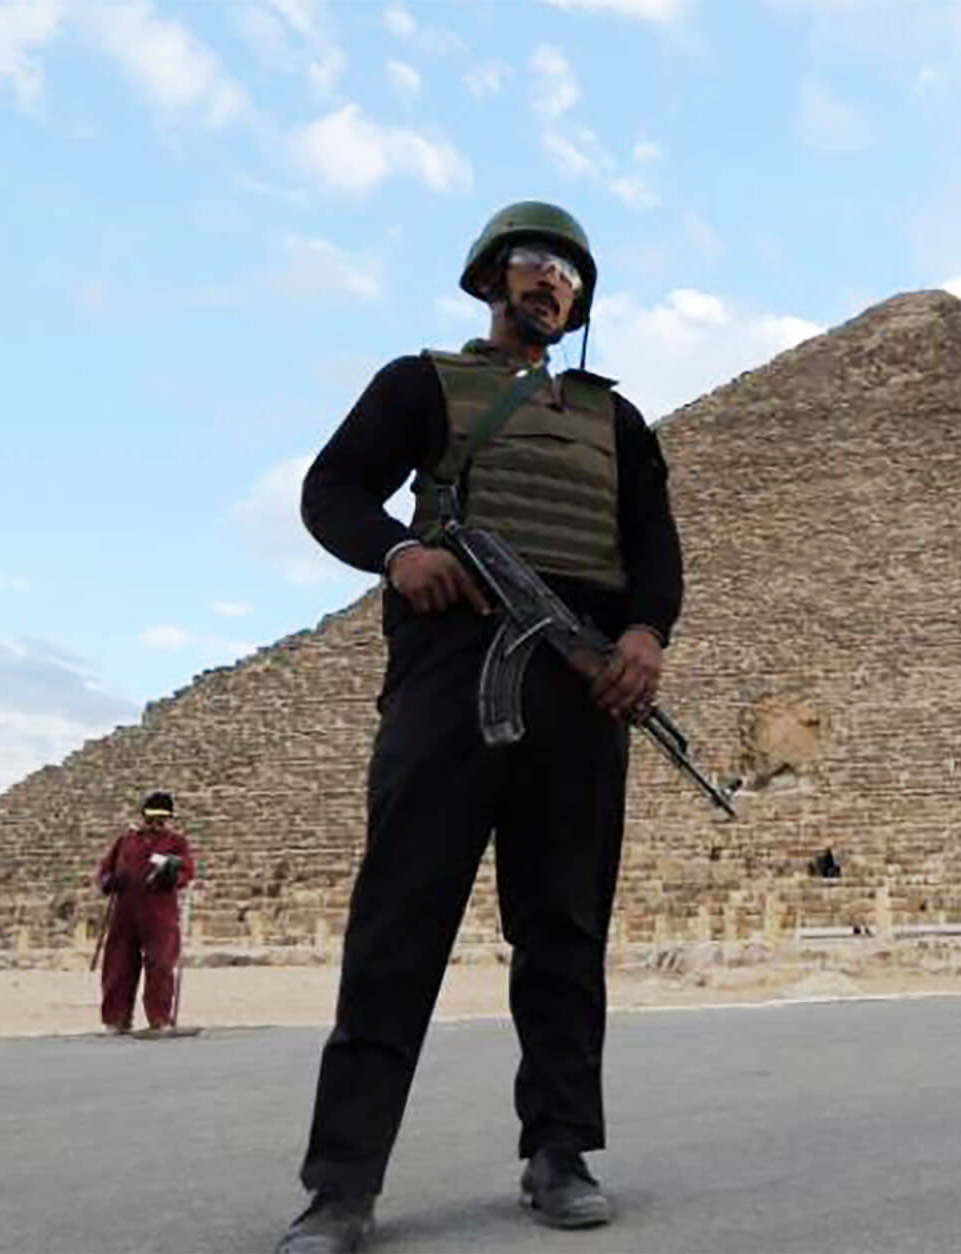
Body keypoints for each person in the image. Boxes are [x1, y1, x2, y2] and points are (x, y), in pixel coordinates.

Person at [280, 201, 684, 1254]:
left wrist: (644, 634)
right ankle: (343, 1185)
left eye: (571, 277)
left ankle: (560, 1152)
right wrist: (395, 554)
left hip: (582, 676)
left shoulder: (616, 420)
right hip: (453, 664)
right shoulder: (422, 384)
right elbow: (332, 490)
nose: (553, 285)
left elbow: (655, 545)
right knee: (398, 925)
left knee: (563, 929)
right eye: (537, 265)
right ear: (491, 276)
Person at [92, 790, 195, 1035]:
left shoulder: (176, 842)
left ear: (169, 818)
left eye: (161, 819)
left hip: (159, 912)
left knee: (160, 964)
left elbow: (187, 871)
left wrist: (172, 875)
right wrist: (109, 881)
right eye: (151, 819)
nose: (155, 824)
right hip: (124, 912)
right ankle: (116, 1020)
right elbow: (104, 870)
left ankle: (159, 1019)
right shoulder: (126, 840)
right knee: (118, 965)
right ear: (143, 816)